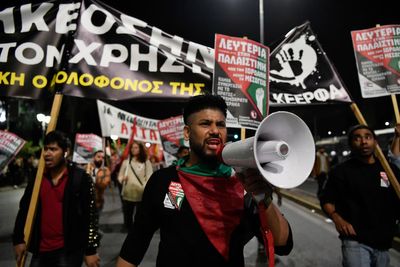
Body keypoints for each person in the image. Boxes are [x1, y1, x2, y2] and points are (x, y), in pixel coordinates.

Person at [116, 94, 293, 267]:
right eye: (205, 123)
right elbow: (135, 244)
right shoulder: (163, 180)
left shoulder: (241, 183)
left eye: (221, 124)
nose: (215, 130)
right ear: (187, 132)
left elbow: (282, 244)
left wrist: (263, 197)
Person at [12, 131, 100, 267]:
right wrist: (18, 239)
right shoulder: (37, 176)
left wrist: (90, 250)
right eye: (45, 149)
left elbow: (90, 215)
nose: (47, 153)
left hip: (68, 252)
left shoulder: (79, 177)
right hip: (40, 251)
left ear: (66, 151)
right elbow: (24, 208)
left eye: (53, 149)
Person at [319, 124, 400, 267]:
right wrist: (338, 219)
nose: (363, 142)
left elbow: (396, 162)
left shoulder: (387, 169)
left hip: (383, 243)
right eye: (357, 138)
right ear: (351, 144)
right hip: (355, 242)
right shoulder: (341, 171)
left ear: (375, 141)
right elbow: (326, 200)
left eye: (368, 137)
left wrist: (398, 137)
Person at [117, 141, 153, 230]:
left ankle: (138, 229)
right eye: (132, 147)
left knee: (140, 215)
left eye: (136, 147)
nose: (133, 149)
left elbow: (149, 176)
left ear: (140, 149)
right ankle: (128, 227)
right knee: (127, 213)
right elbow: (120, 176)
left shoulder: (146, 162)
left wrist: (144, 187)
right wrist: (122, 179)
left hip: (141, 193)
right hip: (128, 192)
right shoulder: (126, 162)